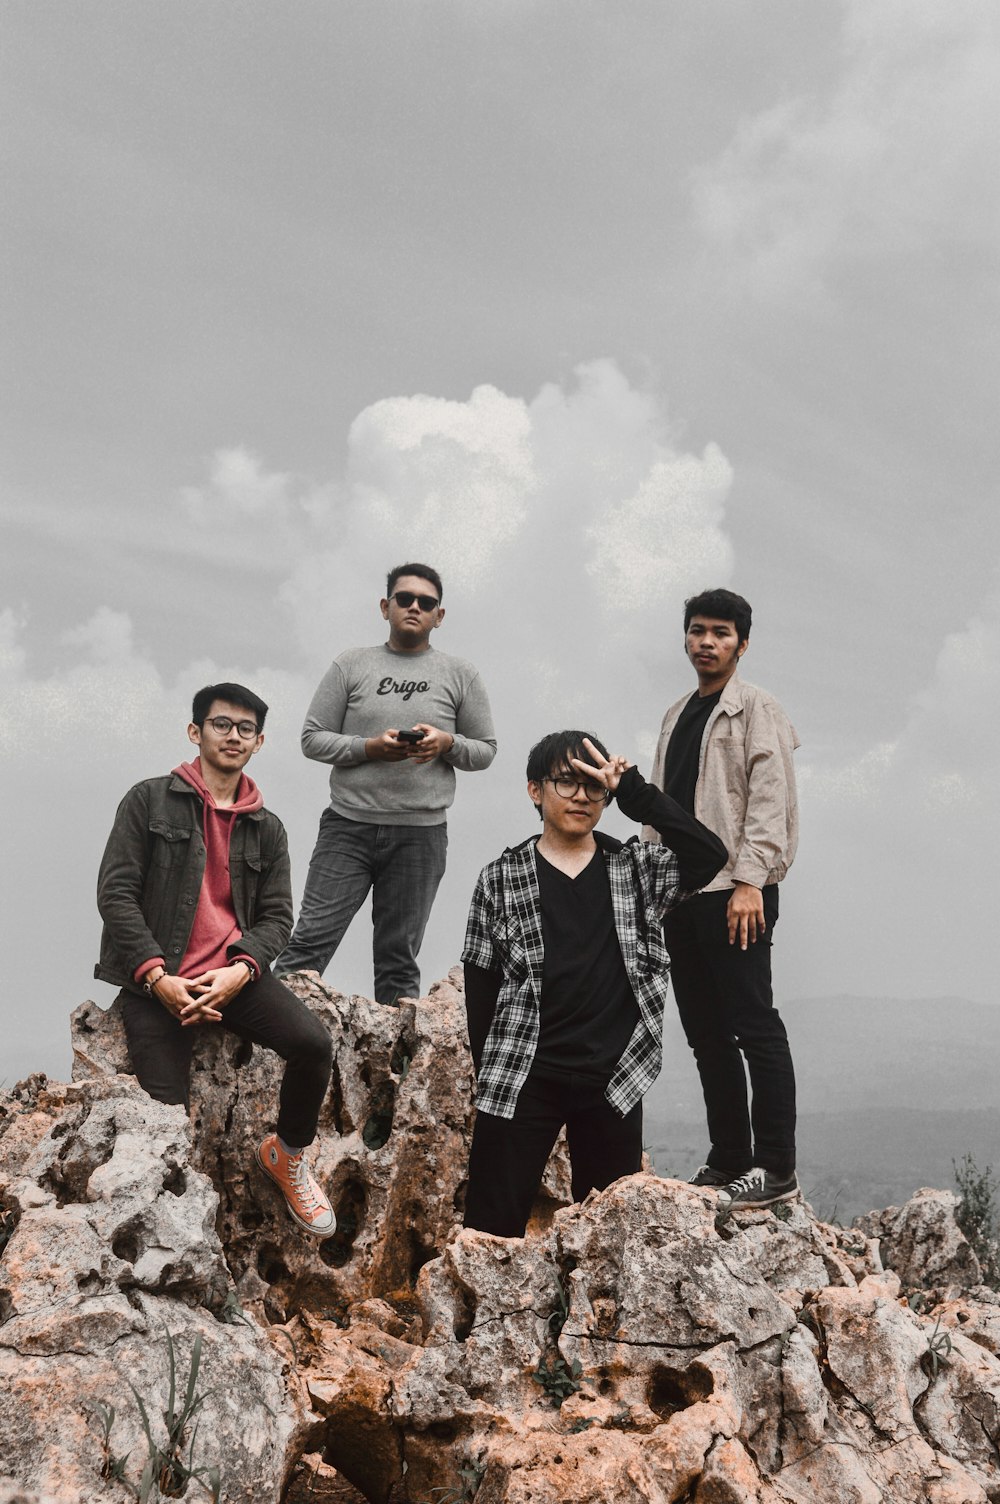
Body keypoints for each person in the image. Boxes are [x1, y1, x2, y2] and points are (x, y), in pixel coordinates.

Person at [461, 730, 727, 1238]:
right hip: (524, 1077)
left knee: (607, 1239)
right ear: (535, 790)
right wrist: (490, 1072)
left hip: (613, 1079)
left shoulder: (636, 869)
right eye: (566, 782)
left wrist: (633, 790)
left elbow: (708, 855)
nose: (582, 796)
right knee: (490, 1232)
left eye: (593, 786)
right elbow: (481, 985)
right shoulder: (500, 877)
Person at [95, 683, 336, 1239]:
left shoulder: (267, 827)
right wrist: (157, 978)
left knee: (313, 1045)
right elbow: (116, 895)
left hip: (234, 977)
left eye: (244, 729)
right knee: (165, 1127)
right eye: (221, 724)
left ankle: (288, 1157)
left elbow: (277, 917)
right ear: (195, 731)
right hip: (159, 984)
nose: (232, 735)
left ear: (258, 742)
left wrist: (240, 970)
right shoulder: (148, 800)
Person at [274, 563, 497, 1004]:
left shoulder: (461, 674)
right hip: (347, 827)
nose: (415, 607)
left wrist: (446, 743)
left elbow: (485, 750)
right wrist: (370, 748)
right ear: (385, 606)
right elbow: (311, 738)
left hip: (421, 835)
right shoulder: (350, 664)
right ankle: (266, 1046)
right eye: (405, 599)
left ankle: (395, 1070)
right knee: (309, 943)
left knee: (398, 958)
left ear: (440, 615)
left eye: (426, 602)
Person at [646, 588, 800, 1210]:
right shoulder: (677, 712)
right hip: (682, 896)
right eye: (697, 631)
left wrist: (750, 881)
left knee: (754, 1025)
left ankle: (777, 1167)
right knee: (706, 1035)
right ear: (685, 637)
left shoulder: (757, 709)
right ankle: (729, 1157)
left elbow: (770, 801)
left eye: (721, 633)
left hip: (736, 894)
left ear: (741, 643)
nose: (706, 642)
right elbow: (662, 805)